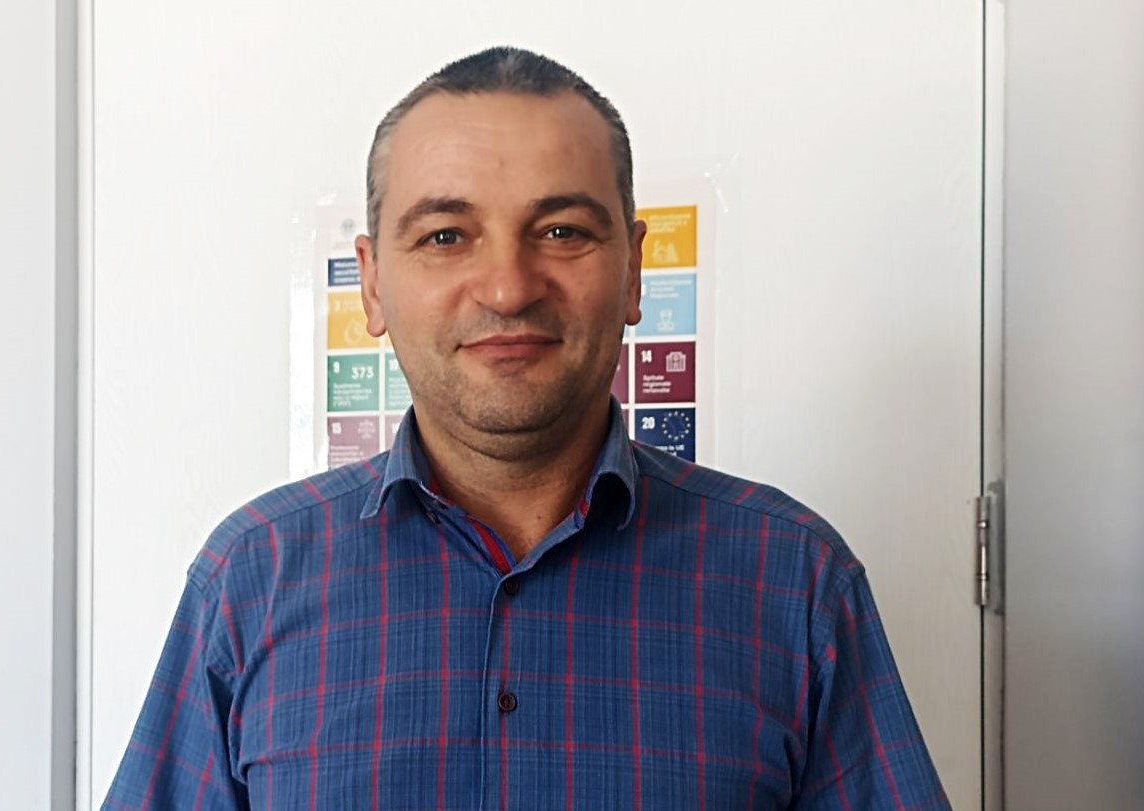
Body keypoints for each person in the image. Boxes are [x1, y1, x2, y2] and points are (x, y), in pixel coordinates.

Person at [103, 46, 949, 811]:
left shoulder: (795, 581)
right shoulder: (248, 582)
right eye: (445, 235)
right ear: (372, 283)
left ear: (632, 271)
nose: (507, 287)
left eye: (561, 232)